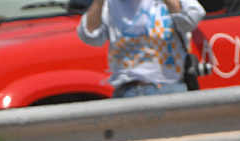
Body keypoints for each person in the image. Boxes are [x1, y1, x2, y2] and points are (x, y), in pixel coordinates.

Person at [78, 0, 206, 99]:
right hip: (128, 91)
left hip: (169, 88)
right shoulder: (111, 4)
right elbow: (90, 35)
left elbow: (190, 20)